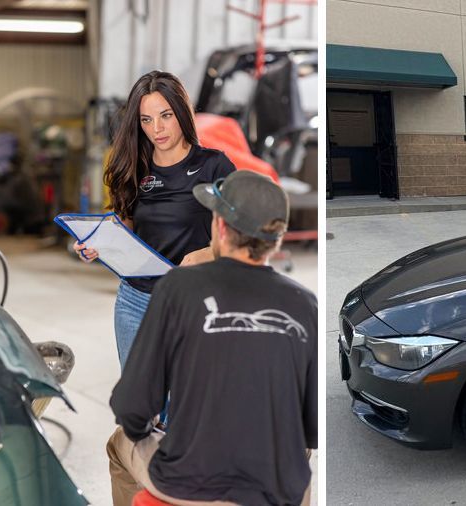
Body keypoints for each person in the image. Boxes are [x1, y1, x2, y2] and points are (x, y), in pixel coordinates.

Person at [105, 170, 313, 506]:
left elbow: (130, 406)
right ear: (276, 240)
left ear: (219, 227)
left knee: (120, 443)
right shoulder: (305, 303)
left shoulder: (177, 288)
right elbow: (311, 426)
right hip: (275, 486)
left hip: (194, 484)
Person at [76, 70, 237, 368]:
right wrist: (99, 243)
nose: (157, 129)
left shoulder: (214, 167)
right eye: (146, 120)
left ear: (181, 112)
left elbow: (243, 234)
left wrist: (210, 252)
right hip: (134, 302)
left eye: (166, 116)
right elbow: (125, 226)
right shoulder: (132, 167)